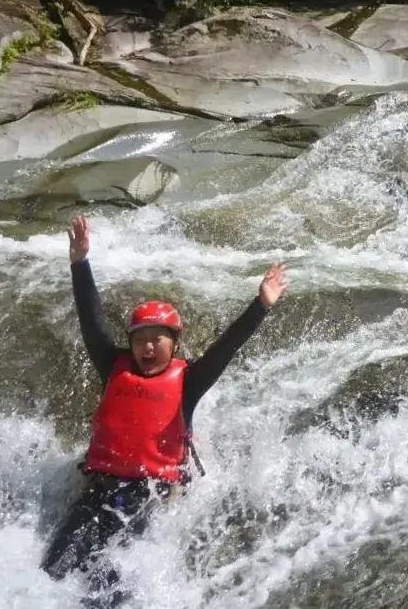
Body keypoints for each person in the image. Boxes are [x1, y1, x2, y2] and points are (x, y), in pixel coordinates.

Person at [41, 215, 287, 602]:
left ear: (175, 345)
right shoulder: (113, 366)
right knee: (52, 571)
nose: (149, 347)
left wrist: (261, 305)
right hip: (99, 488)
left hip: (151, 495)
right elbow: (92, 321)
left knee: (107, 582)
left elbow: (227, 346)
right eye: (141, 339)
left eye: (159, 339)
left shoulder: (189, 381)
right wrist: (80, 263)